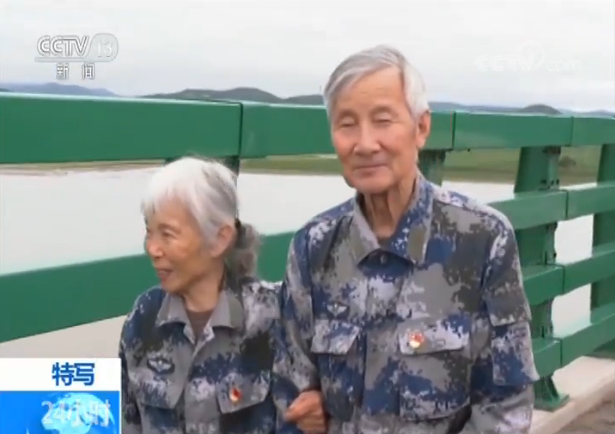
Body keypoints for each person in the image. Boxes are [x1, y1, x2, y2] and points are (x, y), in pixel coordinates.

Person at [272, 45, 539, 434]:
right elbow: (291, 394)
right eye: (347, 124)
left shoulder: (482, 239)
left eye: (383, 120)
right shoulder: (313, 247)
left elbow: (506, 407)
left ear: (421, 127)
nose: (365, 144)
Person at [119, 157, 326, 434]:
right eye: (149, 232)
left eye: (167, 235)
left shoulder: (275, 319)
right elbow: (125, 420)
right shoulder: (144, 317)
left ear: (219, 239)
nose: (152, 249)